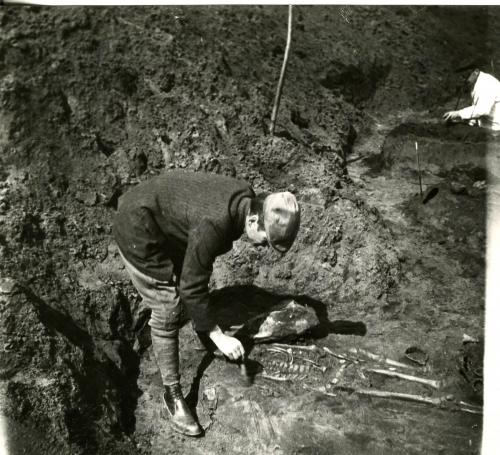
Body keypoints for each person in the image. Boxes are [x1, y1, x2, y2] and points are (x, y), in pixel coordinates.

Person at [113, 170, 300, 436]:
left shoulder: (243, 198)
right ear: (255, 220)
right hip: (137, 226)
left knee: (189, 278)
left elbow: (198, 261)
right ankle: (173, 394)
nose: (262, 247)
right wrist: (219, 336)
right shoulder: (215, 223)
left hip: (166, 219)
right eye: (265, 240)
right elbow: (191, 287)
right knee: (168, 308)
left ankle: (202, 329)